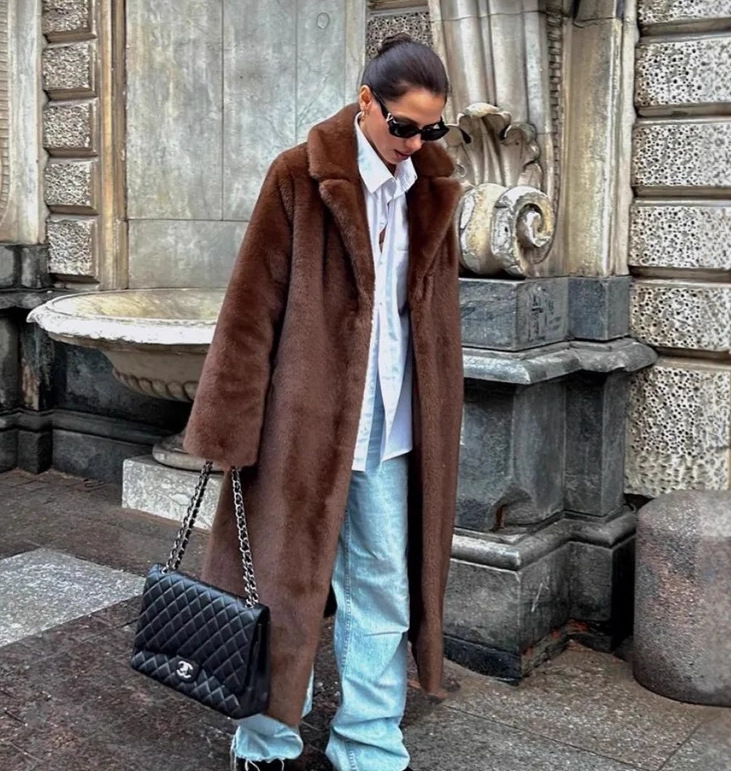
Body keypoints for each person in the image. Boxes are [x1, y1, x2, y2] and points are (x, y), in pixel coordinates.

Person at [184, 33, 464, 771]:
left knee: (383, 590)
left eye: (430, 128)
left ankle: (369, 742)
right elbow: (251, 310)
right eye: (402, 125)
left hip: (393, 429)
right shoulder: (298, 178)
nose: (415, 142)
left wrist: (441, 414)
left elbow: (437, 321)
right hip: (301, 428)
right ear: (366, 101)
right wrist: (230, 429)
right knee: (278, 587)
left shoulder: (433, 189)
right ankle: (265, 738)